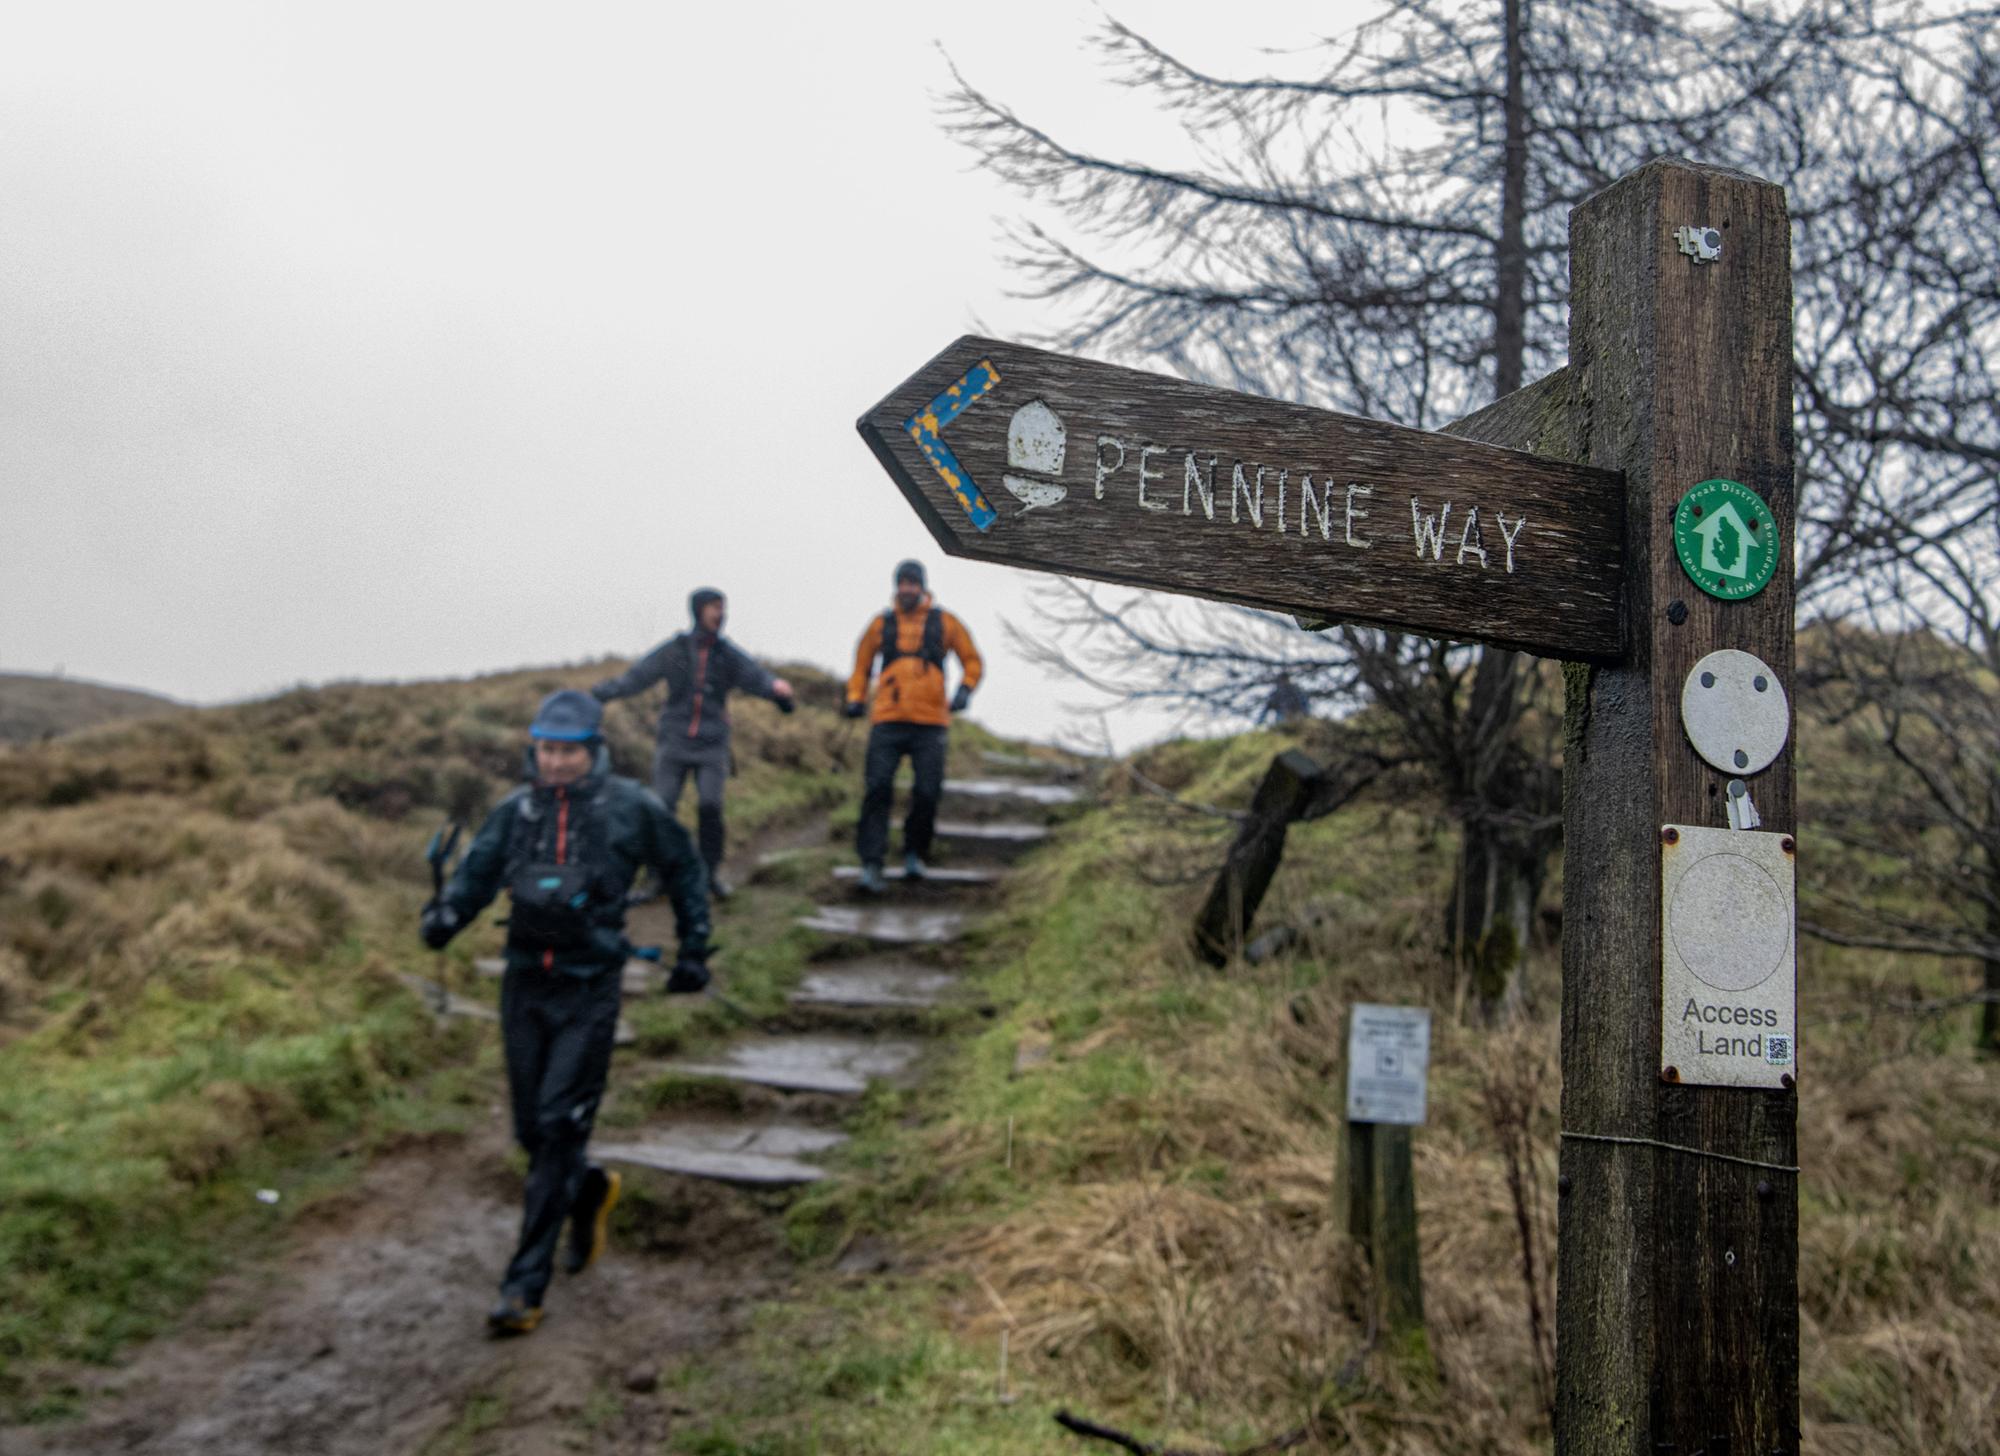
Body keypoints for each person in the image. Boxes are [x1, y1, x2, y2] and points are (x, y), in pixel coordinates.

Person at [420, 689, 712, 1336]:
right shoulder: (514, 812)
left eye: (568, 751)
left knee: (556, 1127)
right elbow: (473, 878)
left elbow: (685, 868)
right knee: (531, 1134)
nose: (556, 763)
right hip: (523, 986)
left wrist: (695, 949)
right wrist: (443, 919)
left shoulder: (632, 809)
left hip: (590, 989)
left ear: (592, 750)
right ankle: (588, 1192)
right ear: (535, 750)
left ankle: (523, 1287)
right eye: (547, 750)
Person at [591, 588, 794, 900]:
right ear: (698, 611)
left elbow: (756, 677)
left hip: (713, 743)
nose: (721, 614)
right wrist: (600, 693)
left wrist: (777, 690)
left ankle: (709, 876)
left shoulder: (727, 654)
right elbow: (637, 677)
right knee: (661, 808)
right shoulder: (674, 650)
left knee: (711, 807)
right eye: (714, 607)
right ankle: (657, 878)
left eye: (723, 607)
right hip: (674, 741)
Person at [842, 559, 983, 894]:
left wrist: (965, 690)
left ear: (922, 586)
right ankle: (872, 864)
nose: (906, 589)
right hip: (887, 721)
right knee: (877, 790)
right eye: (901, 583)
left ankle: (914, 854)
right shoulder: (881, 624)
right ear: (896, 587)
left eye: (912, 583)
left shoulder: (945, 623)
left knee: (927, 792)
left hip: (931, 723)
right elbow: (861, 664)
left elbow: (972, 660)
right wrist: (855, 698)